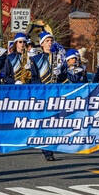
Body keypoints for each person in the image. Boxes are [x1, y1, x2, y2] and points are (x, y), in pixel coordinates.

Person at [30, 31, 67, 161]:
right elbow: (34, 78)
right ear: (42, 44)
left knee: (55, 123)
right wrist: (41, 88)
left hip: (56, 94)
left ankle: (53, 146)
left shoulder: (58, 58)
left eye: (51, 40)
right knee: (46, 122)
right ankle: (47, 150)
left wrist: (61, 72)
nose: (50, 42)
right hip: (43, 94)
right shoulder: (36, 59)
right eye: (47, 41)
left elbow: (64, 77)